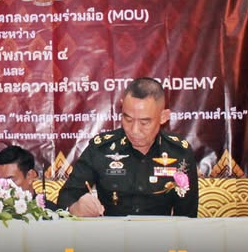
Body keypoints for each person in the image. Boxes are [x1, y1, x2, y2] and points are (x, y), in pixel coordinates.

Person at [57, 77, 199, 217]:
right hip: (111, 231)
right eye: (128, 119)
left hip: (160, 232)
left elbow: (187, 216)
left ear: (163, 117)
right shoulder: (101, 149)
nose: (134, 130)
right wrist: (75, 208)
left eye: (144, 122)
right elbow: (66, 197)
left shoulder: (179, 152)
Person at [0, 144, 57, 210]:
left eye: (10, 180)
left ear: (30, 176)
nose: (4, 186)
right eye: (0, 181)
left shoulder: (50, 212)